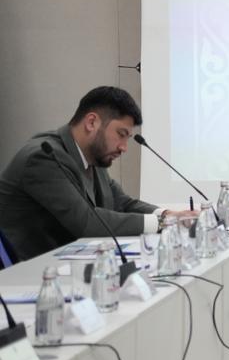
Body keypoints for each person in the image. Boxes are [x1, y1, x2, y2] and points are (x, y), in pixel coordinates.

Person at [0, 86, 193, 262]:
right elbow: (87, 222)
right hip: (26, 274)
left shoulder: (93, 157)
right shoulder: (44, 156)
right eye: (121, 134)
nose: (124, 147)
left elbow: (122, 203)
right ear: (91, 122)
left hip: (67, 266)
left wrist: (169, 214)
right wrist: (163, 223)